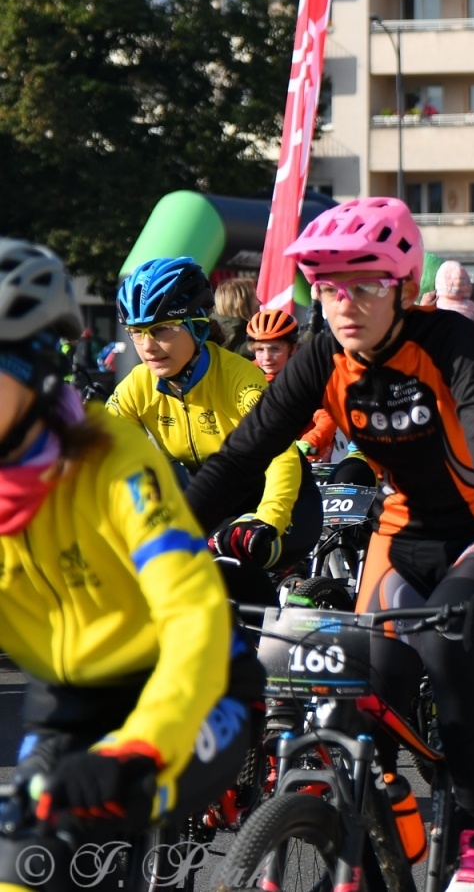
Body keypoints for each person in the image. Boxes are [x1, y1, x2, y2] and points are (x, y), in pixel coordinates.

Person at [183, 198, 474, 892]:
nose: (343, 304)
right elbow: (240, 458)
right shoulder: (323, 352)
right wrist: (154, 545)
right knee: (360, 687)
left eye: (364, 285)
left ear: (405, 286)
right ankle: (372, 842)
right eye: (326, 287)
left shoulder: (448, 343)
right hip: (403, 530)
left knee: (444, 644)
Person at [0, 240, 257, 874]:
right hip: (70, 701)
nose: (149, 344)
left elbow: (193, 617)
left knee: (101, 827)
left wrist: (143, 744)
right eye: (139, 333)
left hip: (190, 688)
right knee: (20, 864)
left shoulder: (114, 465)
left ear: (33, 368)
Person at [108, 258, 320, 601]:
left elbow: (281, 456)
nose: (147, 346)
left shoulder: (240, 379)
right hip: (215, 502)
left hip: (281, 501)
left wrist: (267, 519)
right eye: (137, 332)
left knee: (228, 558)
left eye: (163, 329)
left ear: (197, 326)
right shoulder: (139, 385)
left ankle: (262, 647)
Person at [247, 308, 339, 463]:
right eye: (260, 350)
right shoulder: (247, 373)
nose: (267, 357)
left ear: (293, 348)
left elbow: (326, 416)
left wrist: (309, 442)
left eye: (275, 349)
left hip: (311, 447)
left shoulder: (307, 374)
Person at [211, 277, 260, 357]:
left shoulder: (204, 337)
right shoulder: (249, 347)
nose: (260, 302)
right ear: (241, 304)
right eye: (255, 297)